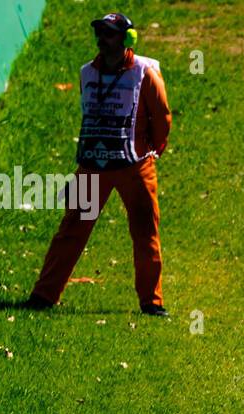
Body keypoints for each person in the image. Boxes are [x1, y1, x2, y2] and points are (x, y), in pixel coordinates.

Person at [26, 12, 172, 316]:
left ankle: (151, 302)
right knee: (71, 230)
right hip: (94, 165)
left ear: (127, 39)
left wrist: (153, 149)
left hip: (135, 167)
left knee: (145, 233)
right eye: (100, 33)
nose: (102, 39)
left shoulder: (145, 73)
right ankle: (44, 295)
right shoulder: (87, 73)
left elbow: (161, 116)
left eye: (109, 34)